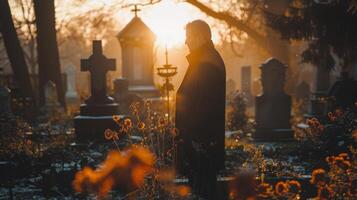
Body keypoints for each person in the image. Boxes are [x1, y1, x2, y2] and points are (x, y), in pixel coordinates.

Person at [175, 19, 226, 199]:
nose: (186, 41)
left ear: (200, 37)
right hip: (199, 146)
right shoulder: (203, 60)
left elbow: (203, 107)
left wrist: (194, 141)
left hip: (201, 147)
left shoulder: (207, 64)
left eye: (188, 36)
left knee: (203, 192)